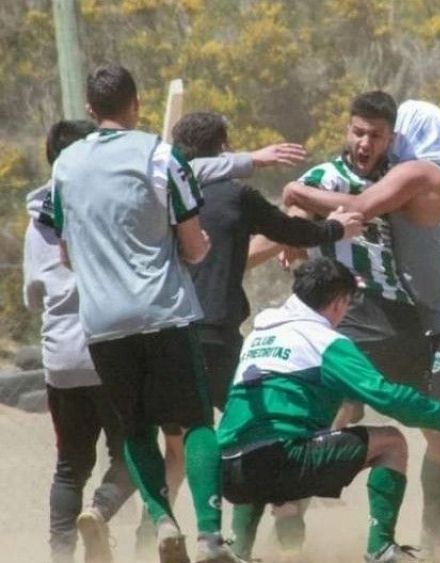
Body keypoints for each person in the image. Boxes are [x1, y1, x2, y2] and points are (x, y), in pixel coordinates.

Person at [283, 90, 440, 563]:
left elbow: (358, 205)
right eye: (360, 132)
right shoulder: (413, 174)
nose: (371, 143)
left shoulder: (416, 173)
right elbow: (324, 208)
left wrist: (295, 194)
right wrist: (294, 228)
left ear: (403, 136)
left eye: (382, 135)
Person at [133, 111, 362, 559]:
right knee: (257, 427)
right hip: (216, 334)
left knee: (174, 440)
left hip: (162, 334)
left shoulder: (160, 195)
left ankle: (154, 528)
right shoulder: (235, 197)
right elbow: (287, 229)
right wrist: (336, 227)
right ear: (224, 146)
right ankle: (249, 530)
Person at [51, 64, 243, 563]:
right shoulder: (161, 155)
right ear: (136, 104)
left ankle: (161, 521)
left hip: (102, 322)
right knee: (197, 422)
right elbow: (194, 245)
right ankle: (208, 536)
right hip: (163, 313)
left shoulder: (65, 167)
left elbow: (65, 254)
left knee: (135, 429)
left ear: (91, 112)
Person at [217, 257, 440, 563]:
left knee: (257, 449)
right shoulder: (325, 340)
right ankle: (381, 548)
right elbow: (387, 397)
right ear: (339, 302)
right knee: (392, 441)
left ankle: (239, 552)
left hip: (227, 470)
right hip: (281, 461)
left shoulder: (258, 337)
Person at [23, 120, 135, 563]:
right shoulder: (105, 204)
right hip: (109, 350)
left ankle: (60, 554)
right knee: (132, 453)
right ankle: (100, 510)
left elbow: (33, 298)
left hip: (61, 359)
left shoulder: (36, 222)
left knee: (70, 466)